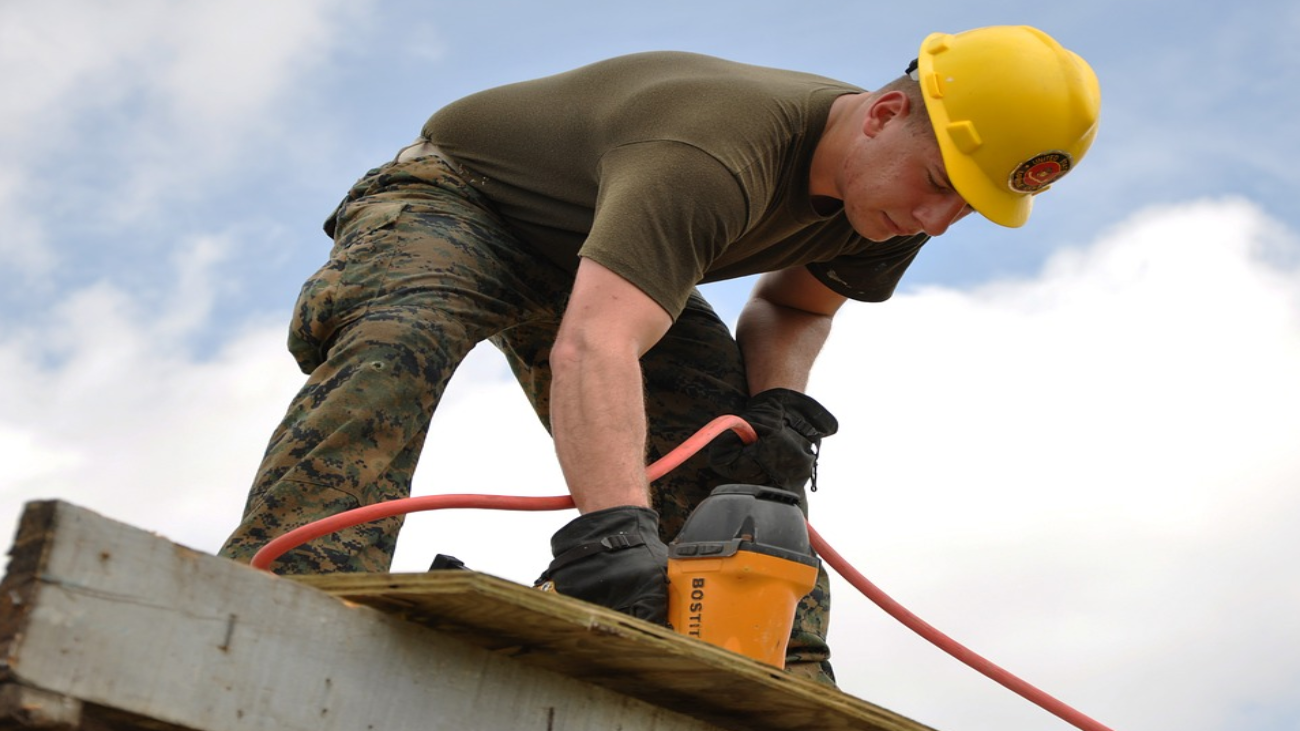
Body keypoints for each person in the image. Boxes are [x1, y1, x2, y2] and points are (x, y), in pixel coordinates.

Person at [219, 25, 1101, 684]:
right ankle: (288, 587)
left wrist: (777, 407)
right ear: (882, 114)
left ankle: (783, 668)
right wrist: (614, 536)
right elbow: (596, 343)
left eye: (969, 208)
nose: (937, 221)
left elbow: (794, 304)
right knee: (398, 344)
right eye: (941, 185)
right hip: (464, 202)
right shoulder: (712, 154)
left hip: (602, 260)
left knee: (738, 450)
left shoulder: (895, 198)